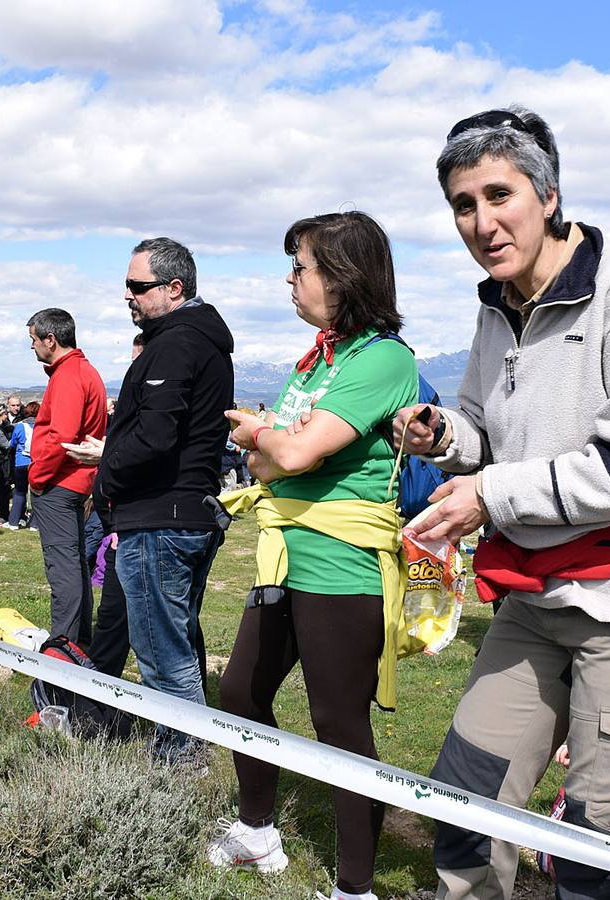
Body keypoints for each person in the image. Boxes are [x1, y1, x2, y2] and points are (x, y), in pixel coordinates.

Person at [396, 107, 610, 900]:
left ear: (546, 194)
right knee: (462, 806)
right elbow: (492, 431)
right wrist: (443, 435)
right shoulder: (496, 304)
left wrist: (487, 492)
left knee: (600, 855)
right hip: (537, 595)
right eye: (461, 203)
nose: (481, 222)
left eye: (498, 195)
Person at [207, 212, 419, 900]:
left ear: (343, 276)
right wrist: (274, 439)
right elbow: (275, 466)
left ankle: (353, 888)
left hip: (340, 564)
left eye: (300, 267)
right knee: (240, 692)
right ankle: (258, 833)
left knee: (337, 723)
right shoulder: (319, 360)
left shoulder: (384, 358)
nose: (290, 281)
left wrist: (264, 433)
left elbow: (291, 453)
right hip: (284, 555)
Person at [89, 237, 234, 763]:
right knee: (176, 635)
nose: (128, 296)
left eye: (138, 286)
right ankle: (188, 750)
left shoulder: (177, 344)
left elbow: (155, 436)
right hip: (182, 512)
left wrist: (106, 475)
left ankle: (178, 764)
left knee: (160, 649)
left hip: (161, 516)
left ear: (175, 289)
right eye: (126, 285)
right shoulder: (194, 340)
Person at [27, 307, 109, 644]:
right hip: (76, 482)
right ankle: (79, 641)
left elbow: (61, 435)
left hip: (59, 484)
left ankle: (63, 647)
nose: (32, 347)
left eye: (33, 340)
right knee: (75, 564)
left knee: (63, 569)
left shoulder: (69, 375)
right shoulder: (82, 371)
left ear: (51, 339)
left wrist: (37, 477)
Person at [8, 400, 38, 529]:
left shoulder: (20, 426)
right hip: (36, 462)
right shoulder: (42, 427)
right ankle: (35, 523)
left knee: (20, 492)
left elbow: (12, 443)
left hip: (21, 461)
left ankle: (14, 522)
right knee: (36, 493)